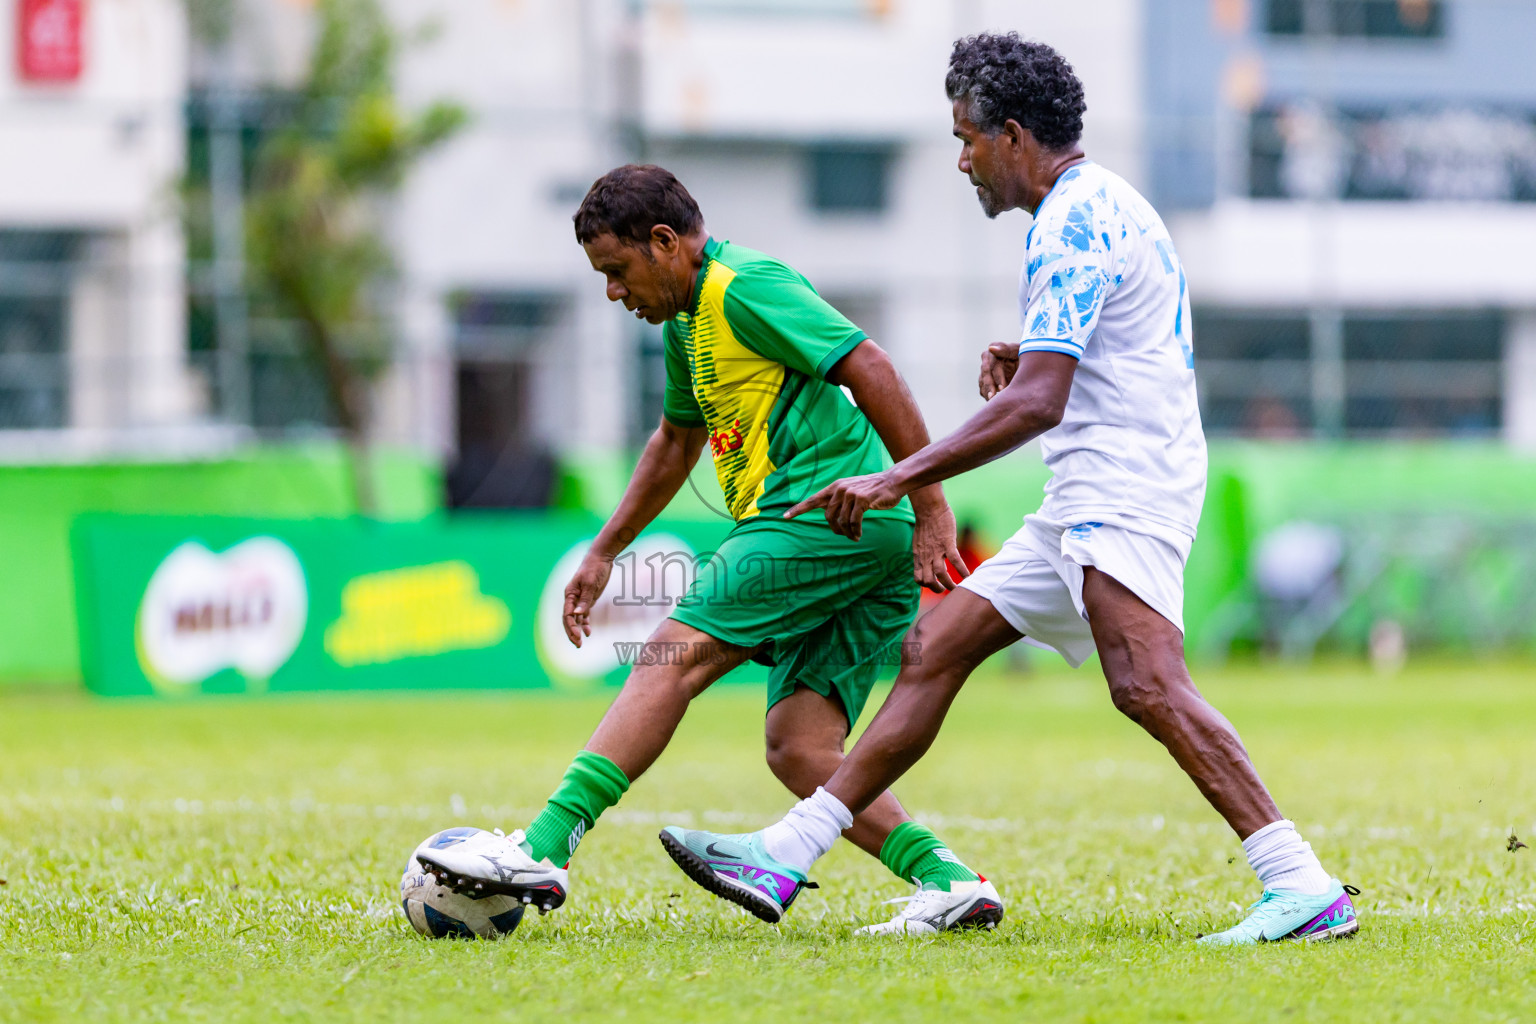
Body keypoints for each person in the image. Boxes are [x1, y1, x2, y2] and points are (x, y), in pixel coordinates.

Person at [666, 35, 1358, 944]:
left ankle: (1300, 884)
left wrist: (899, 477)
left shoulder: (1073, 220)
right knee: (933, 647)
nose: (962, 160)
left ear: (1016, 136)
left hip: (1125, 484)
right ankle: (789, 851)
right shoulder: (1091, 207)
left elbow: (1040, 402)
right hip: (1089, 488)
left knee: (1147, 683)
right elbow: (1075, 359)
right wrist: (1026, 346)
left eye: (967, 139)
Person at [416, 164, 1005, 934]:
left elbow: (872, 366)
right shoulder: (686, 324)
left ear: (665, 243)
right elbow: (673, 443)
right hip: (863, 537)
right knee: (799, 746)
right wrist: (603, 551)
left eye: (617, 271)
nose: (613, 293)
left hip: (823, 510)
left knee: (671, 654)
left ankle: (545, 846)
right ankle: (950, 881)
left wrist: (931, 503)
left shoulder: (743, 285)